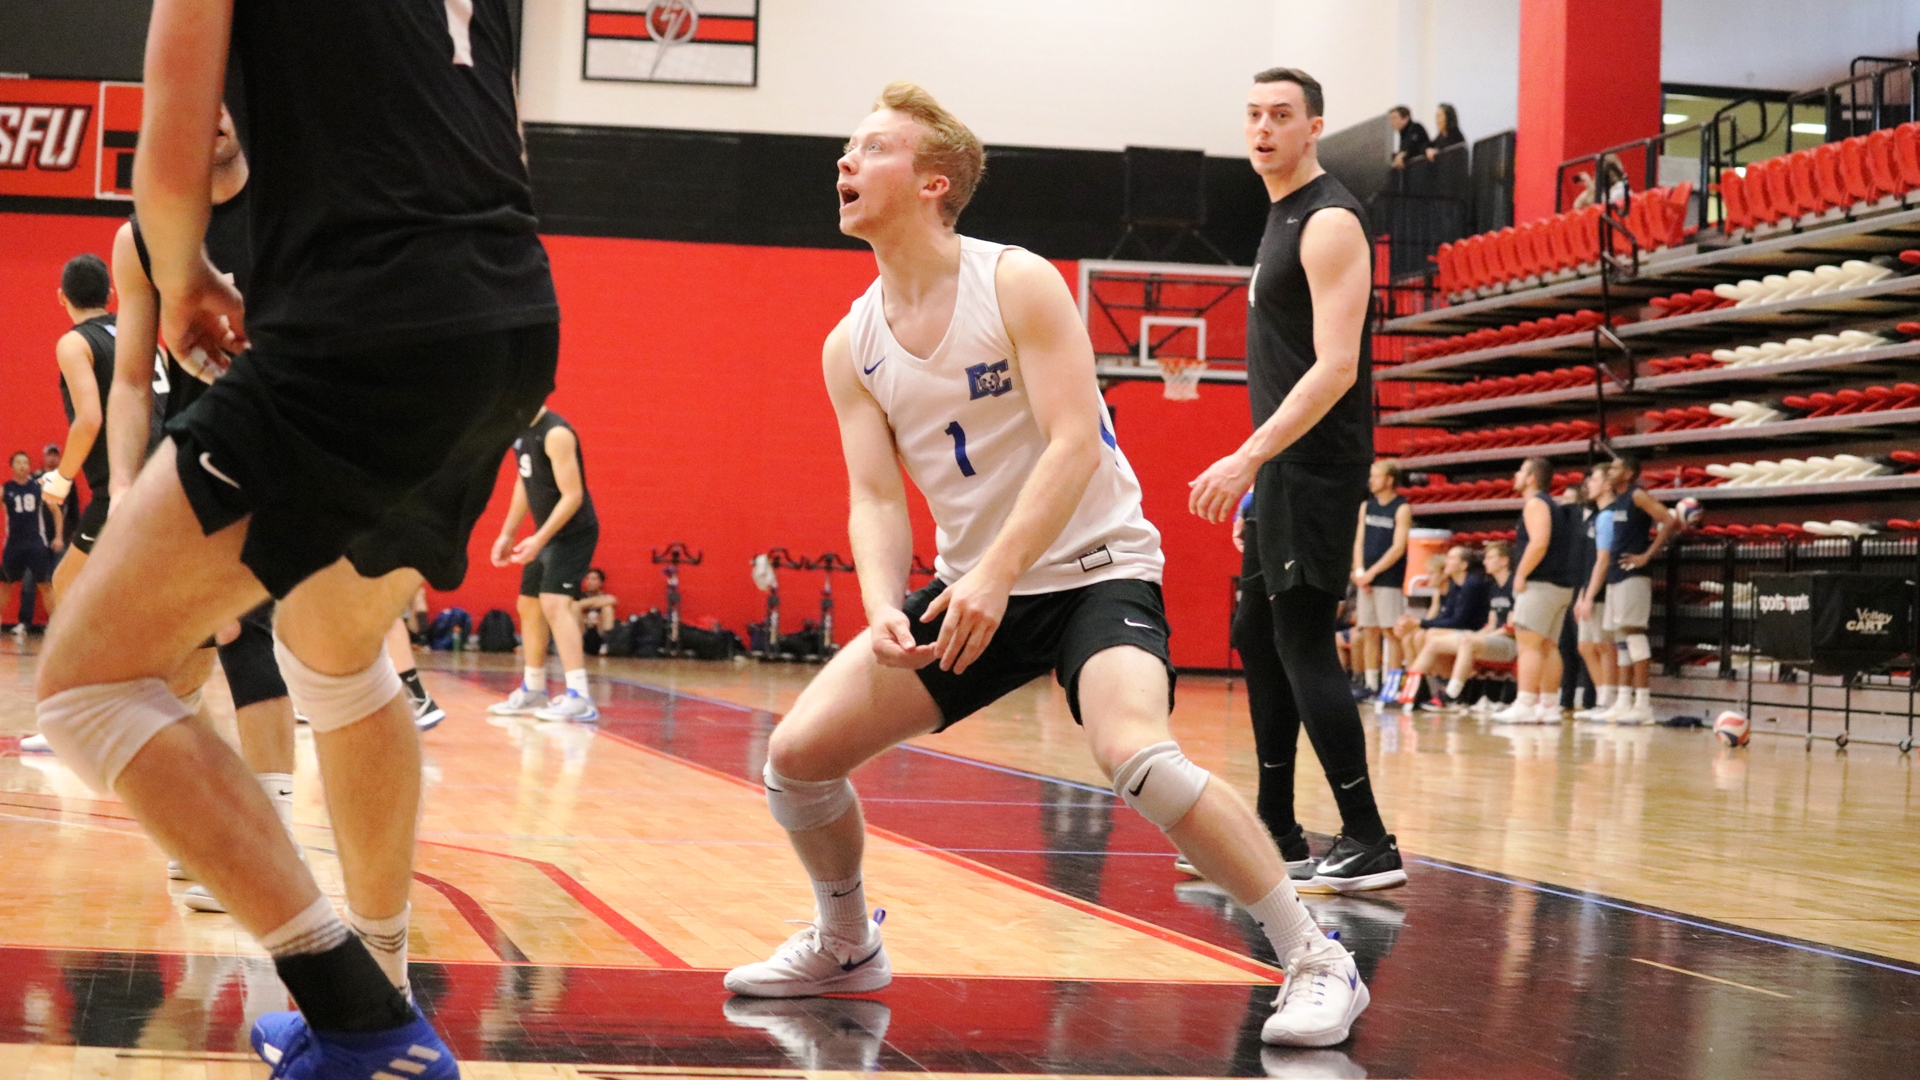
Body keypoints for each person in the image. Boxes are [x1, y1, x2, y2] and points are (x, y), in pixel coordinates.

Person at [723, 79, 1369, 1048]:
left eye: (873, 147)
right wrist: (883, 601)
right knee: (797, 760)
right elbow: (876, 496)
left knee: (1136, 754)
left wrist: (992, 574)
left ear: (935, 182)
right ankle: (847, 943)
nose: (846, 162)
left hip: (1094, 567)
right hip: (975, 587)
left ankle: (1317, 959)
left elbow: (1074, 444)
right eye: (848, 149)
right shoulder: (849, 344)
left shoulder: (1015, 282)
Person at [35, 0, 558, 1073]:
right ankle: (384, 982)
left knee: (88, 687)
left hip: (366, 323)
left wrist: (184, 274)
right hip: (509, 322)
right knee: (335, 651)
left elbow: (167, 144)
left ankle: (360, 1021)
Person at [1192, 67, 1404, 901]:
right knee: (1256, 631)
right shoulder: (1280, 215)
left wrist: (1247, 458)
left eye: (1281, 115)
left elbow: (1336, 367)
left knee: (1303, 638)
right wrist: (1260, 473)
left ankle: (1368, 837)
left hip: (1316, 462)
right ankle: (1274, 833)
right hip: (1284, 465)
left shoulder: (1328, 222)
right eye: (1253, 114)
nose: (1263, 128)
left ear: (1314, 127)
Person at [487, 407, 601, 723]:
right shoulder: (522, 431)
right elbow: (524, 482)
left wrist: (539, 539)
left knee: (555, 603)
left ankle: (580, 697)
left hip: (574, 533)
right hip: (547, 535)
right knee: (528, 604)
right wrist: (508, 533)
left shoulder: (556, 434)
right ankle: (534, 689)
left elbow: (573, 496)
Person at [1491, 459, 1581, 723]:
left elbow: (1539, 542)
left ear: (1531, 477)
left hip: (1540, 585)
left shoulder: (1535, 504)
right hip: (1559, 586)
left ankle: (1525, 703)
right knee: (1549, 646)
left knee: (1528, 645)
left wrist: (1519, 574)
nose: (1516, 474)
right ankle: (1549, 706)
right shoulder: (1552, 506)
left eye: (1521, 470)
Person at [1595, 456, 1674, 724]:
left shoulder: (1637, 495)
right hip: (1616, 575)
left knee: (1634, 635)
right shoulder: (1618, 500)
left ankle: (1643, 705)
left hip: (1633, 575)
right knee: (1621, 639)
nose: (1610, 471)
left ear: (1628, 474)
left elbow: (1668, 520)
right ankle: (1623, 701)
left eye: (1616, 467)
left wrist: (1647, 556)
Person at [1399, 545, 1489, 707]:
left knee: (1427, 635)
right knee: (1418, 635)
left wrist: (1420, 623)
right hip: (1463, 630)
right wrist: (1417, 624)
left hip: (1475, 632)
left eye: (1451, 558)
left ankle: (1434, 685)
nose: (1447, 561)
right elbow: (1447, 617)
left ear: (1464, 565)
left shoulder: (1472, 584)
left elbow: (1459, 621)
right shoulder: (1457, 585)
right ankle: (1419, 688)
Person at [1350, 459, 1409, 700]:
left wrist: (1372, 572)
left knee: (1390, 632)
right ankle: (1371, 684)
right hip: (1366, 580)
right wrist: (1359, 571)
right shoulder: (1367, 506)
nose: (1371, 480)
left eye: (1376, 476)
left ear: (1389, 479)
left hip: (1388, 579)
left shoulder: (1401, 508)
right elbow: (1359, 541)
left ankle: (1391, 686)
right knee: (1369, 632)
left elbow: (1398, 547)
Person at [1572, 469, 1619, 720]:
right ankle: (1603, 699)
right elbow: (1589, 561)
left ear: (1608, 485)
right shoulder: (1595, 517)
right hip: (1589, 587)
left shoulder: (1609, 515)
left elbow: (1603, 560)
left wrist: (1590, 596)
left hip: (1604, 588)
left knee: (1604, 645)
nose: (1588, 484)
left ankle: (1608, 701)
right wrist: (1582, 595)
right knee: (1585, 646)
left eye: (1595, 480)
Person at [2, 452, 60, 636]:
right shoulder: (5, 489)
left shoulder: (39, 487)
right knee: (5, 584)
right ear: (12, 466)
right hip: (14, 543)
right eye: (18, 462)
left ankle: (57, 625)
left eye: (25, 463)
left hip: (36, 543)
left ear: (29, 466)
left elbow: (56, 511)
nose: (22, 466)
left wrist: (58, 537)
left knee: (45, 584)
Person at [575, 567, 619, 654]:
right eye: (587, 578)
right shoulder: (579, 596)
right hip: (584, 631)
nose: (589, 582)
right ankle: (577, 646)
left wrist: (586, 604)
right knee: (576, 611)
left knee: (608, 608)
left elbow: (613, 600)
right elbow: (575, 606)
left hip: (599, 631)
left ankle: (606, 643)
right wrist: (586, 620)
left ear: (601, 583)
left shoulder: (605, 597)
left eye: (594, 579)